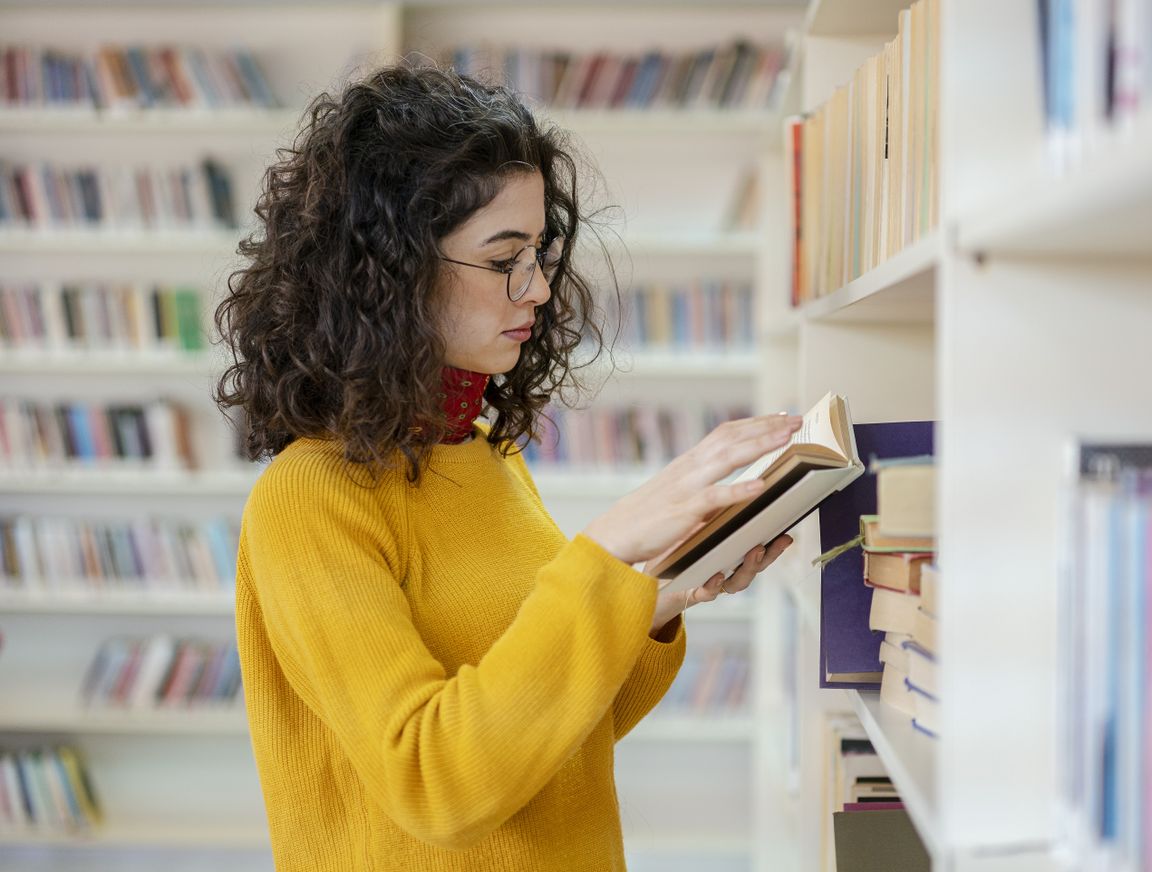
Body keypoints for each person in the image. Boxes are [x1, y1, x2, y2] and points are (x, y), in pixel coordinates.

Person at [214, 61, 798, 872]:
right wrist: (605, 555)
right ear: (390, 270)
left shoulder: (485, 453)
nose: (538, 292)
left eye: (541, 253)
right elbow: (437, 784)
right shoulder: (309, 499)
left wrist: (657, 597)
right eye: (503, 259)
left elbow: (552, 741)